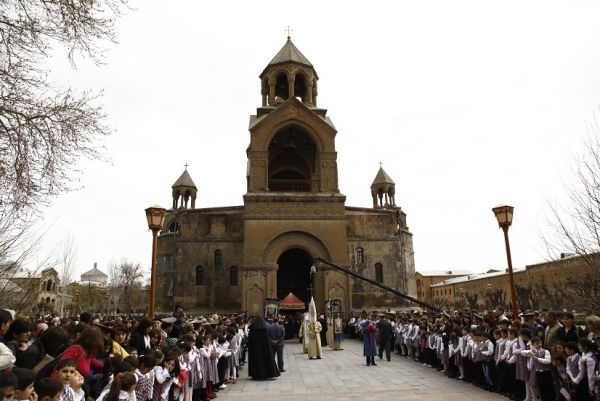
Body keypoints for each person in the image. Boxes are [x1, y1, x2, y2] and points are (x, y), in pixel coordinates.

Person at [247, 316, 279, 380]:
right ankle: (266, 373)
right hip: (264, 348)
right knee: (264, 360)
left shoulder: (252, 330)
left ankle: (256, 374)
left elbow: (249, 340)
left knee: (256, 361)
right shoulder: (264, 330)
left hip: (254, 349)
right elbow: (267, 340)